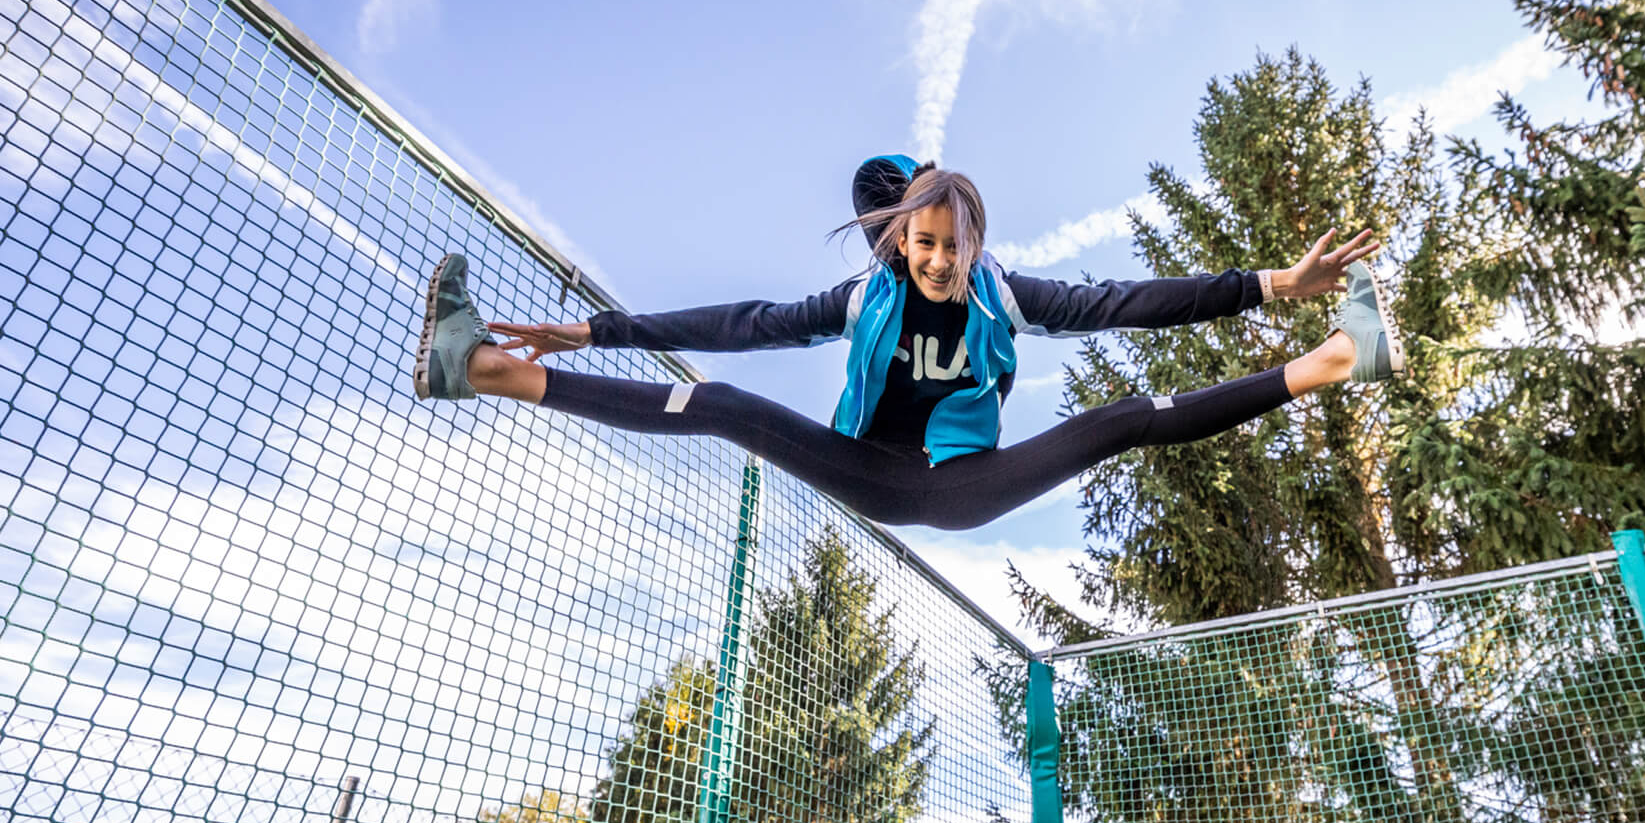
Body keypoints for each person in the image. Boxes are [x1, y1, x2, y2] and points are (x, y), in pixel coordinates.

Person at [411, 157, 1404, 531]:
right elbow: (734, 323)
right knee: (717, 404)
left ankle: (1332, 357)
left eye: (947, 246)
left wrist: (1274, 284)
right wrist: (595, 329)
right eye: (917, 245)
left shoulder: (1008, 296)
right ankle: (483, 366)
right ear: (897, 242)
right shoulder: (863, 297)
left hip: (966, 484)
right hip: (874, 476)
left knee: (1118, 420)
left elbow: (1132, 300)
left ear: (973, 242)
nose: (934, 264)